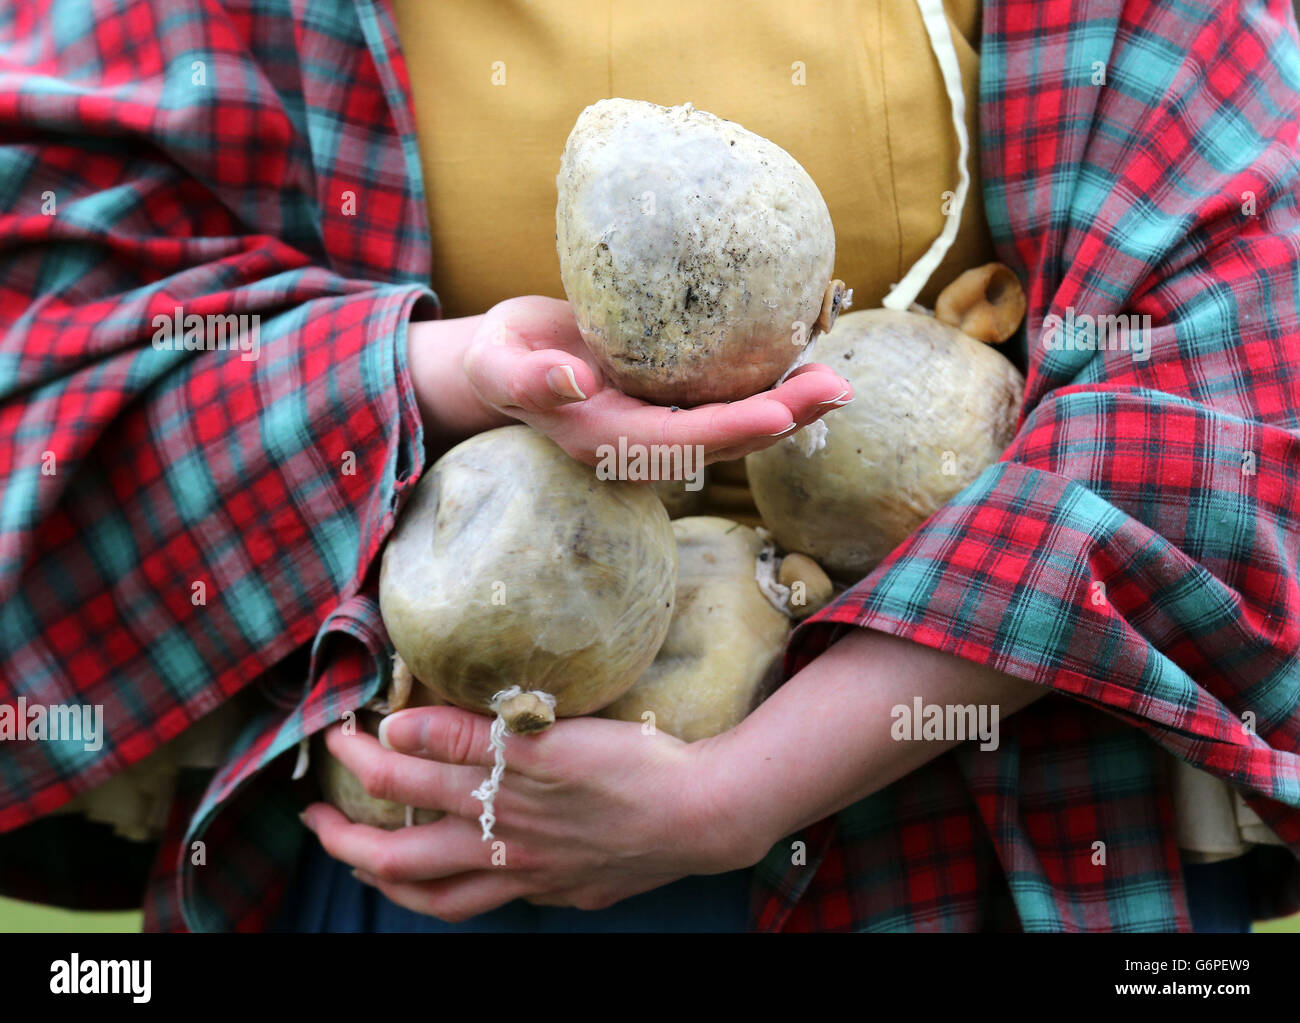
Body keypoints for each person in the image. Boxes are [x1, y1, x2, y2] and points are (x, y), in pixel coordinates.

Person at [1, 0, 1298, 935]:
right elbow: (47, 340)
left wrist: (746, 791)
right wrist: (440, 375)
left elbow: (1225, 366)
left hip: (969, 820)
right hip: (434, 829)